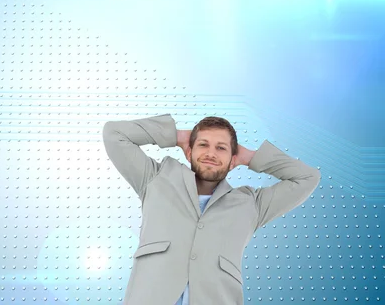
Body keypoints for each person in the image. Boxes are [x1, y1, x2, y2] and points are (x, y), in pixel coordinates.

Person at [102, 114, 321, 305]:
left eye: (221, 148)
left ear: (233, 159)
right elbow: (114, 133)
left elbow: (308, 177)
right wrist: (177, 136)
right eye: (203, 144)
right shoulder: (155, 178)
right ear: (189, 151)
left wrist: (249, 157)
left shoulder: (252, 204)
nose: (211, 153)